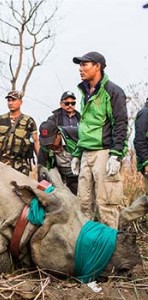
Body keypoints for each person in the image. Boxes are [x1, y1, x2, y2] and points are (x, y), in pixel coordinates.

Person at [70, 51, 128, 229]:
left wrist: (116, 154)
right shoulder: (85, 93)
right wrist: (77, 154)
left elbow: (120, 123)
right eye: (80, 65)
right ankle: (87, 247)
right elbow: (85, 126)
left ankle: (111, 249)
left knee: (106, 204)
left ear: (97, 66)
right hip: (86, 152)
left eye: (85, 64)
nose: (81, 68)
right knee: (83, 204)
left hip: (104, 152)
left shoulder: (112, 91)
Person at [0, 90, 40, 176]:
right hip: (1, 164)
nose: (10, 103)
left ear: (21, 102)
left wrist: (41, 163)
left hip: (21, 165)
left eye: (13, 100)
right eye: (9, 100)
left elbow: (36, 141)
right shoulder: (0, 119)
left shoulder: (29, 121)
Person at [120, 97, 148, 224]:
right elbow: (139, 140)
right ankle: (122, 218)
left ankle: (123, 217)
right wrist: (146, 162)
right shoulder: (145, 113)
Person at [37, 119, 78, 195]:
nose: (50, 146)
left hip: (81, 172)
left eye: (51, 142)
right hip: (64, 178)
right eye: (46, 143)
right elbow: (42, 170)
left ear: (58, 135)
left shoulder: (74, 133)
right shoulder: (44, 148)